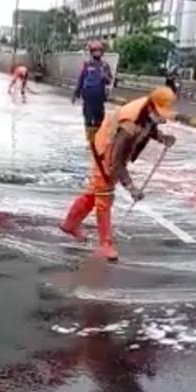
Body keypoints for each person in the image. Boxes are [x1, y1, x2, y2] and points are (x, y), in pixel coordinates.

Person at [60, 86, 176, 261]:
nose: (161, 118)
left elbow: (148, 126)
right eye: (161, 114)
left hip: (112, 147)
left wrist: (161, 137)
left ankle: (70, 224)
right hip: (106, 151)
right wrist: (131, 187)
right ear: (152, 106)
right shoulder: (130, 123)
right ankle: (105, 244)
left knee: (95, 191)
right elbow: (116, 163)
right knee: (105, 196)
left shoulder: (148, 109)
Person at [72, 40, 113, 143]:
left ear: (102, 52)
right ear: (91, 52)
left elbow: (109, 81)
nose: (97, 53)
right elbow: (81, 79)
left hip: (99, 97)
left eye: (99, 51)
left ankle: (98, 140)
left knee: (99, 120)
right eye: (95, 51)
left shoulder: (105, 66)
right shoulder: (87, 65)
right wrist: (76, 93)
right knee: (88, 120)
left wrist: (105, 76)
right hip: (88, 97)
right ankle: (90, 142)